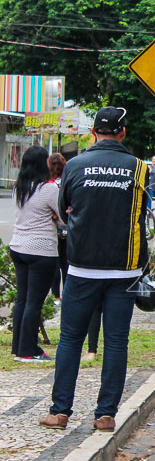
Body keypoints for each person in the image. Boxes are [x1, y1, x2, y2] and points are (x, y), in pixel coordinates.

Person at [40, 106, 151, 432]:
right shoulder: (140, 169)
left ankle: (60, 412)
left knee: (70, 340)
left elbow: (62, 210)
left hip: (82, 267)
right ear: (123, 132)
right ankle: (105, 415)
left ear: (93, 133)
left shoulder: (74, 165)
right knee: (116, 342)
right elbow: (142, 214)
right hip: (124, 269)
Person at [9, 146, 62, 362]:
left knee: (22, 299)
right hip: (41, 250)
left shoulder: (18, 188)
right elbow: (64, 217)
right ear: (43, 164)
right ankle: (28, 351)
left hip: (18, 247)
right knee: (34, 301)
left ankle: (18, 347)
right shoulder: (48, 189)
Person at [48, 153, 68, 306]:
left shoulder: (47, 182)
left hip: (52, 227)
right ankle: (67, 293)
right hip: (68, 224)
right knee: (66, 263)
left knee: (55, 263)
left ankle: (56, 297)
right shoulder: (69, 179)